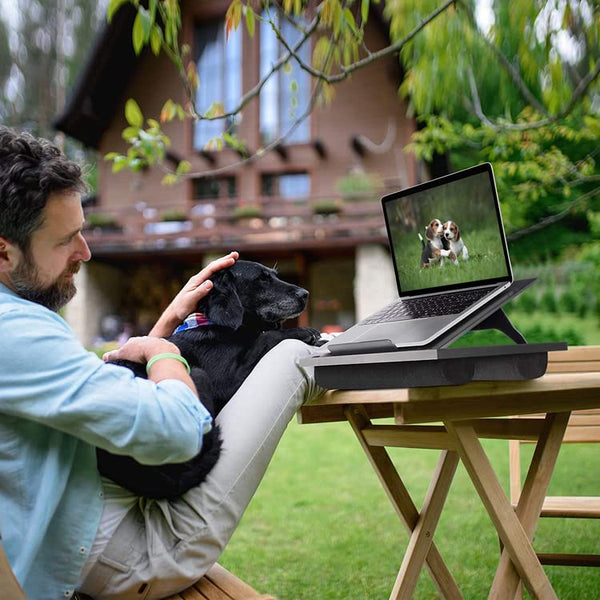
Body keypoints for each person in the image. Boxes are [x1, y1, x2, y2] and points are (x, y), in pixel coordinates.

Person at [0, 127, 323, 600]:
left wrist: (168, 324)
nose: (85, 253)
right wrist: (165, 351)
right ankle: (367, 362)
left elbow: (102, 398)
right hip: (130, 553)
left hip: (82, 524)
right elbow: (178, 433)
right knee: (292, 353)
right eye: (67, 239)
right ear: (4, 250)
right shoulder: (17, 331)